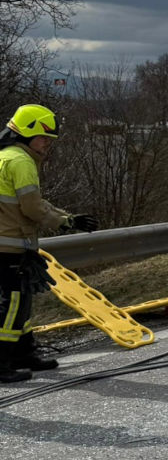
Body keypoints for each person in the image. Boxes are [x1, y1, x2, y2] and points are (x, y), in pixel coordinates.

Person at [0, 104, 98, 383]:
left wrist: (65, 217)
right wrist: (67, 222)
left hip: (11, 244)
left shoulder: (5, 156)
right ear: (28, 133)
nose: (47, 145)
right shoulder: (20, 162)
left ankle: (23, 354)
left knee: (22, 303)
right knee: (12, 305)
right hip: (9, 247)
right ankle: (2, 361)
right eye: (44, 138)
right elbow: (32, 207)